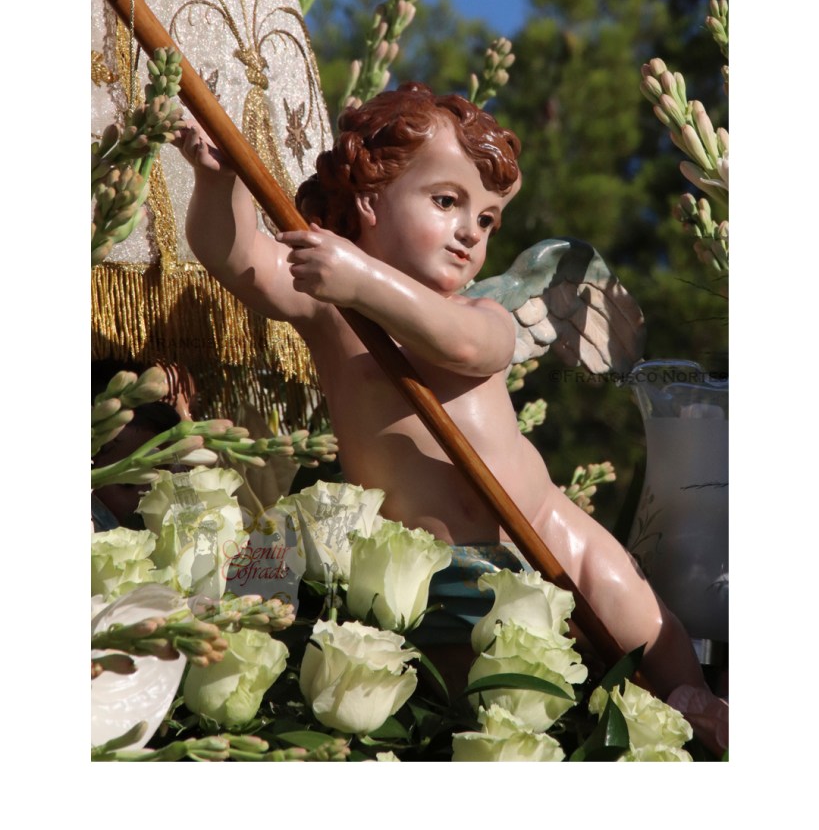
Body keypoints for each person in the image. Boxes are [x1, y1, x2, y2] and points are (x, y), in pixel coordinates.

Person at [177, 82, 726, 749]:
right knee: (481, 705)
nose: (471, 231)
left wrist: (364, 281)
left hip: (543, 533)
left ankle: (699, 710)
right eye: (447, 201)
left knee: (636, 615)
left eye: (488, 219)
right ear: (370, 199)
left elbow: (467, 348)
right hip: (423, 570)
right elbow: (239, 259)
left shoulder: (477, 311)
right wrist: (221, 184)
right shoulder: (329, 308)